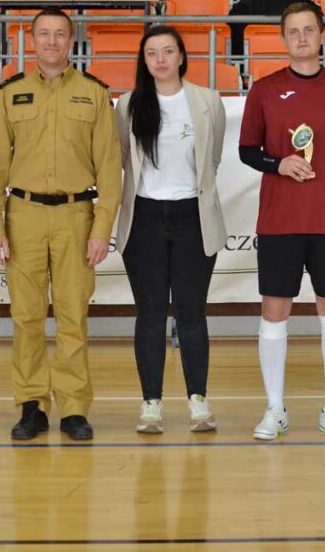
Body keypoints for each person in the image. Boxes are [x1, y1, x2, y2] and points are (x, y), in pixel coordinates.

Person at [0, 7, 122, 442]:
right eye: (44, 34)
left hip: (76, 217)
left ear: (71, 40)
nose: (52, 42)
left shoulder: (94, 94)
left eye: (60, 34)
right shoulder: (12, 94)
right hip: (22, 216)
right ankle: (31, 405)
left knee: (73, 316)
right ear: (32, 39)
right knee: (25, 317)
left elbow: (110, 169)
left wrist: (101, 229)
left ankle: (74, 408)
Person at [238, 1, 325, 442]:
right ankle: (275, 409)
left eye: (308, 30)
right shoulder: (264, 89)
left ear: (322, 34)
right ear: (283, 38)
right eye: (293, 31)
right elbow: (247, 151)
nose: (301, 38)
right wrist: (279, 164)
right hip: (279, 222)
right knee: (275, 313)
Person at [115, 25, 227, 434]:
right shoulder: (127, 105)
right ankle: (151, 404)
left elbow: (211, 160)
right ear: (143, 61)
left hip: (192, 219)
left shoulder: (207, 101)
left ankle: (198, 401)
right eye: (151, 53)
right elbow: (125, 161)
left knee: (191, 312)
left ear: (182, 56)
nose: (160, 60)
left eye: (168, 51)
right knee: (149, 313)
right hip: (143, 218)